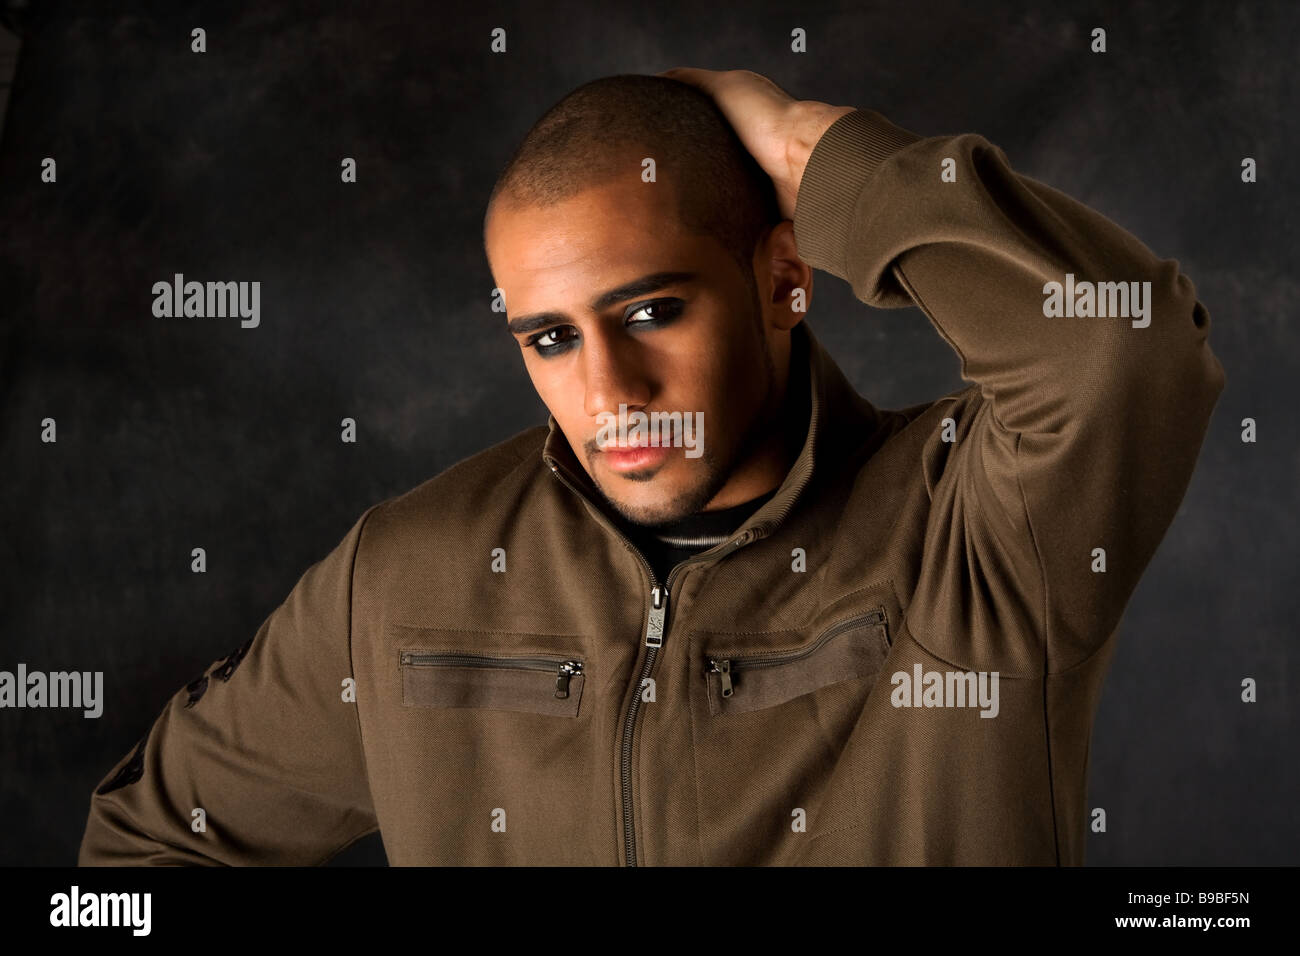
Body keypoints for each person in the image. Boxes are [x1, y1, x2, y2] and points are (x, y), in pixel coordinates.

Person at [78, 68, 1225, 866]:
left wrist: (806, 149)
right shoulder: (408, 575)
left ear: (784, 278)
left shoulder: (976, 530)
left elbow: (1122, 349)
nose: (609, 392)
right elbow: (140, 855)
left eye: (652, 311)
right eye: (550, 337)